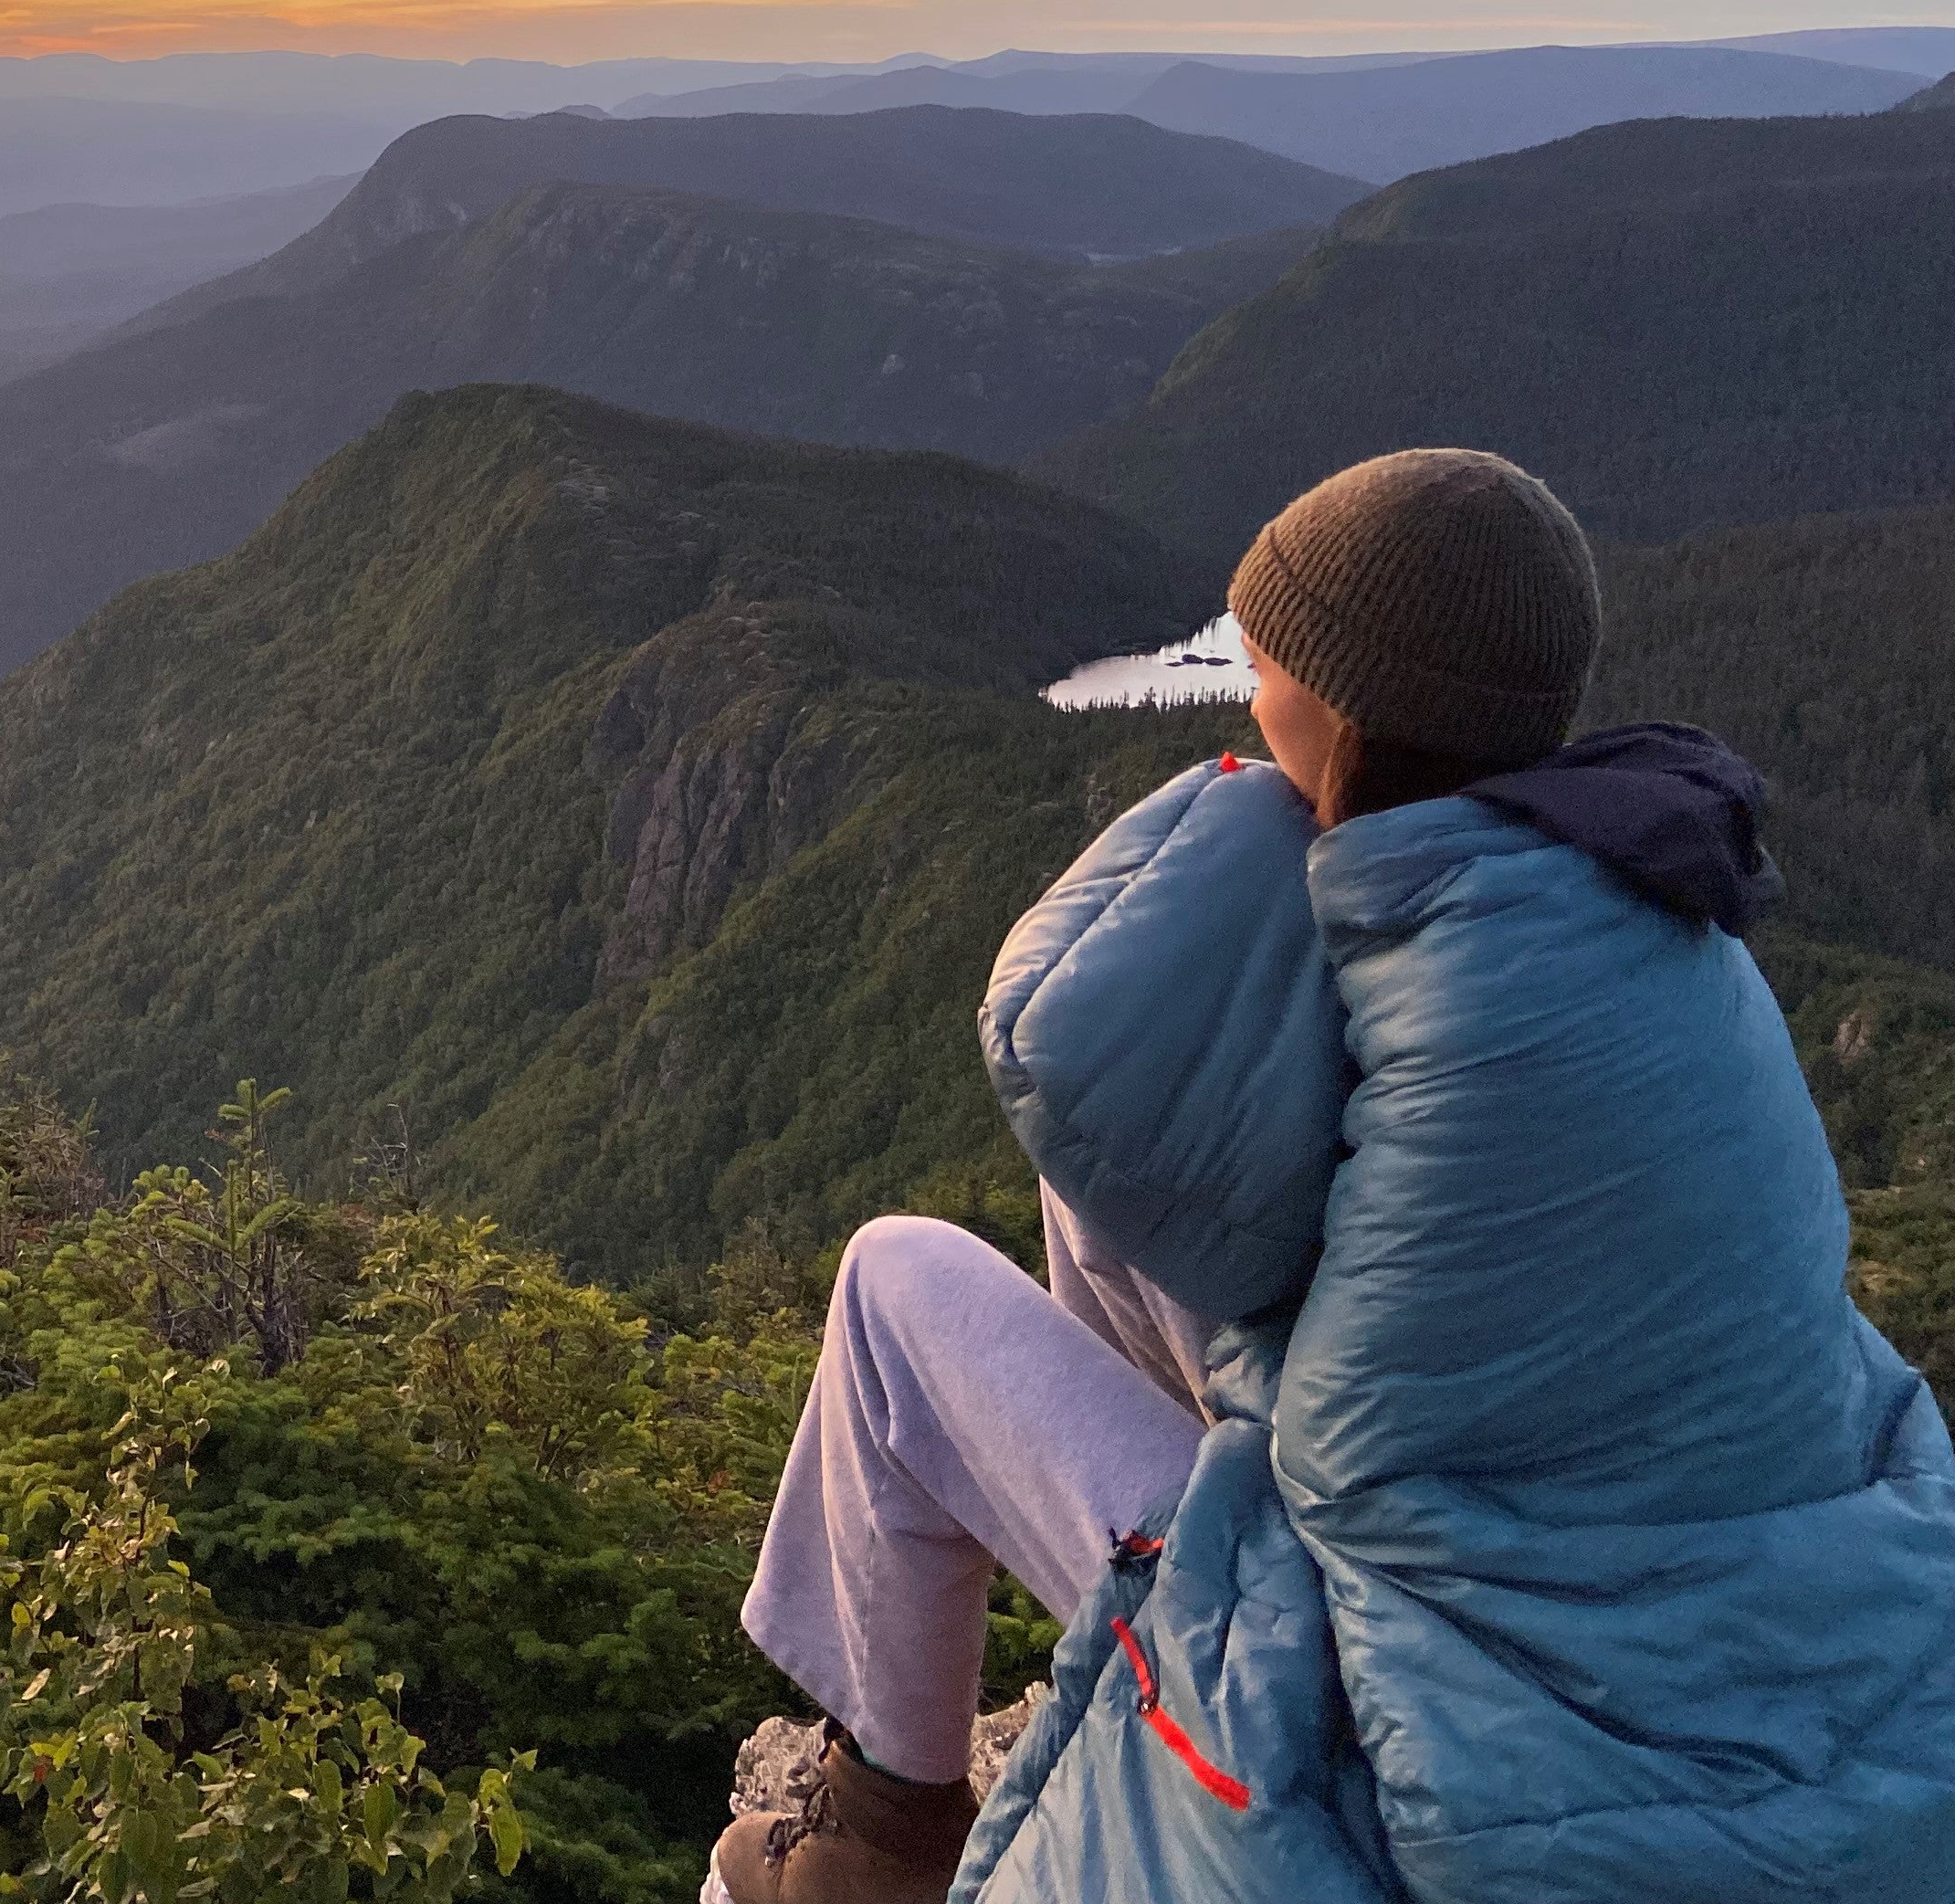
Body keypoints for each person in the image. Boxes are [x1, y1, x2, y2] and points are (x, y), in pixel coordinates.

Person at [709, 447, 1955, 1904]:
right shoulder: (1626, 910)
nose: (1245, 671)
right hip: (1706, 1593)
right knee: (1092, 1209)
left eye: (1270, 646)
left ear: (1348, 702)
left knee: (890, 1288)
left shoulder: (1463, 1015)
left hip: (1452, 1686)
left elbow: (1355, 1452)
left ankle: (885, 1828)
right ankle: (1092, 1615)